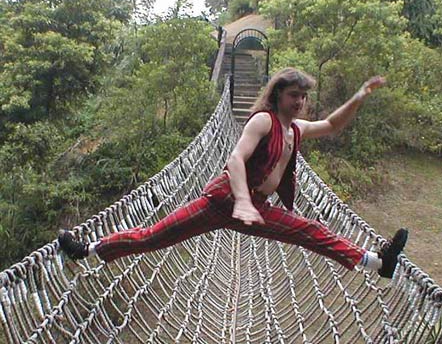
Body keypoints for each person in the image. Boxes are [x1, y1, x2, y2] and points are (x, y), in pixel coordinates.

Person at [58, 68, 408, 278]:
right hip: (223, 201)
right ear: (277, 95)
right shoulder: (263, 121)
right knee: (152, 237)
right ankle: (87, 250)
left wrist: (359, 96)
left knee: (309, 230)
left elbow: (331, 125)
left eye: (303, 96)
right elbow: (236, 159)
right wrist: (241, 199)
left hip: (255, 208)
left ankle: (377, 263)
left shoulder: (296, 129)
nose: (299, 102)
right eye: (293, 95)